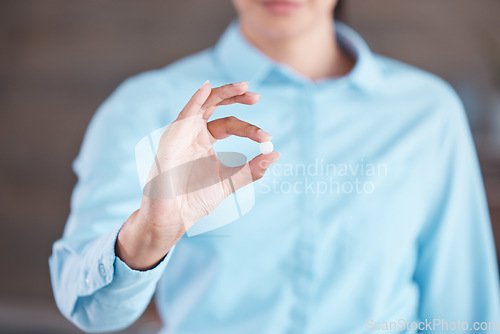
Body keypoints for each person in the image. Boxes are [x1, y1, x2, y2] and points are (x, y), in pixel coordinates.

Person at [49, 0, 500, 333]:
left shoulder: (426, 112)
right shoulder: (145, 106)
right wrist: (149, 235)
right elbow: (90, 307)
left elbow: (463, 308)